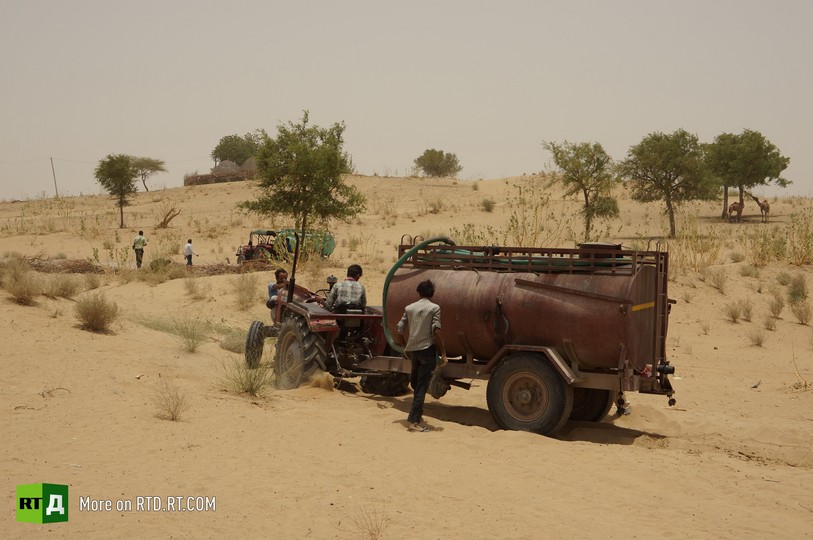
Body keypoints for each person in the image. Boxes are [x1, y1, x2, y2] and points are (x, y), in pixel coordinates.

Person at [397, 279, 447, 432]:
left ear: (418, 292)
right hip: (427, 350)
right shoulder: (434, 308)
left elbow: (399, 328)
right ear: (432, 293)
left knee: (416, 383)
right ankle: (414, 421)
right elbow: (436, 331)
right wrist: (443, 353)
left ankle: (416, 414)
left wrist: (404, 346)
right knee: (421, 387)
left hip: (414, 351)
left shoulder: (409, 308)